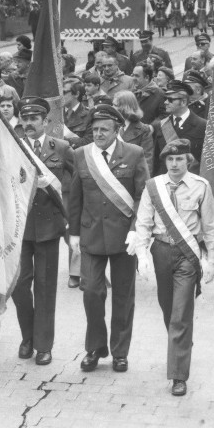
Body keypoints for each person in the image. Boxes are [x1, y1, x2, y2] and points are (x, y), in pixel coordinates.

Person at [128, 138, 214, 396]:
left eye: (180, 159)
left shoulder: (201, 186)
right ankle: (182, 343)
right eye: (170, 159)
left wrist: (211, 260)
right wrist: (142, 255)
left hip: (187, 255)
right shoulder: (153, 187)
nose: (175, 164)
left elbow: (210, 226)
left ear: (188, 160)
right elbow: (143, 222)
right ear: (164, 161)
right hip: (161, 251)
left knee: (180, 313)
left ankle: (178, 375)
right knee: (168, 308)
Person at [68, 104, 149, 373]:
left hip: (124, 238)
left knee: (123, 298)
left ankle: (119, 352)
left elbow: (142, 197)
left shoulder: (134, 154)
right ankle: (95, 347)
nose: (99, 134)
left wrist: (138, 230)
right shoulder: (81, 155)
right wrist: (74, 234)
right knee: (91, 291)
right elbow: (75, 196)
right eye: (95, 130)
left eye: (104, 129)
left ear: (117, 130)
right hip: (91, 235)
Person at [12, 97, 74, 365]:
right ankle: (27, 336)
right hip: (20, 228)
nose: (28, 123)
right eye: (24, 119)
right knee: (19, 285)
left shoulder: (60, 148)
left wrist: (68, 214)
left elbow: (73, 187)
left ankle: (44, 344)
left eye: (33, 119)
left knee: (46, 288)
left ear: (45, 122)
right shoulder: (13, 148)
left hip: (49, 228)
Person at [151, 81, 206, 175]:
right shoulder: (159, 125)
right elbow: (155, 161)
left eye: (170, 99)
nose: (165, 102)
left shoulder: (203, 125)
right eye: (165, 99)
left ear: (183, 102)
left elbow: (205, 162)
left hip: (191, 183)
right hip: (165, 181)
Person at [114, 91, 154, 174]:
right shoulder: (111, 125)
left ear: (125, 107)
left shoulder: (143, 130)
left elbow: (147, 161)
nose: (112, 107)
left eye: (115, 105)